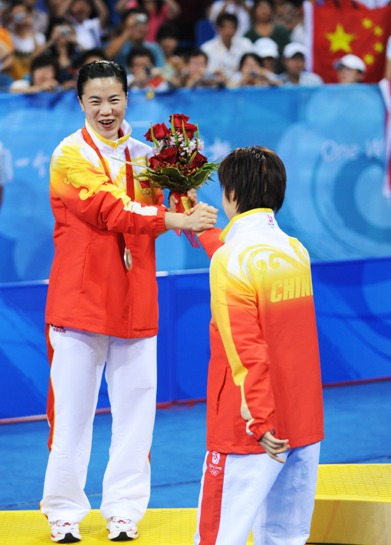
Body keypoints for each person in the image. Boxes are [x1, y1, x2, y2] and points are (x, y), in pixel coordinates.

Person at [40, 59, 218, 544]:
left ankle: (123, 511)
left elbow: (186, 208)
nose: (105, 109)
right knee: (71, 420)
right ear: (80, 103)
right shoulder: (68, 156)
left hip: (136, 305)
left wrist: (222, 247)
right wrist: (176, 220)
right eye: (94, 100)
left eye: (114, 99)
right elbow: (110, 210)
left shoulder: (148, 156)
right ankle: (63, 512)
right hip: (80, 308)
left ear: (127, 100)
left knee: (137, 420)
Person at [194, 145, 324, 545]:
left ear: (232, 194)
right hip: (302, 424)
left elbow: (247, 349)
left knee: (221, 538)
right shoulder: (295, 251)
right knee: (285, 537)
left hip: (250, 428)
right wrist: (205, 234)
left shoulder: (231, 261)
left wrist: (260, 421)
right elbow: (245, 267)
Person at [200, 12, 253, 82]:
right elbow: (202, 72)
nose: (228, 31)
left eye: (232, 27)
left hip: (241, 86)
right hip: (216, 87)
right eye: (225, 27)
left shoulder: (246, 45)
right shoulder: (207, 48)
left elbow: (253, 67)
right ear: (218, 28)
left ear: (237, 29)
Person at [244, 0, 291, 73]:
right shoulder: (249, 35)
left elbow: (288, 53)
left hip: (281, 74)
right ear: (255, 11)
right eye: (261, 8)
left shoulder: (281, 31)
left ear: (272, 10)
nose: (263, 11)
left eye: (266, 8)